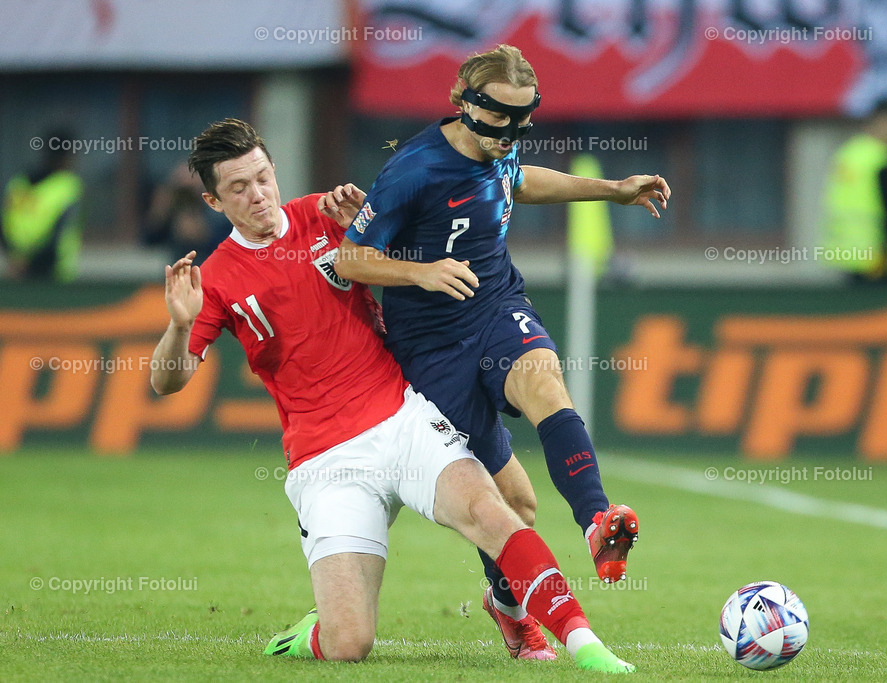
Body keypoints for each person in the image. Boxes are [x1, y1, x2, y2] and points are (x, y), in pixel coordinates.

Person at [149, 118, 634, 673]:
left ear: (274, 169)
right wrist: (180, 326)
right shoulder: (215, 278)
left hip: (403, 416)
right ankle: (312, 634)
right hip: (326, 459)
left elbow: (405, 235)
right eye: (238, 188)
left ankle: (582, 642)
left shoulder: (328, 214)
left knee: (502, 510)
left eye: (262, 177)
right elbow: (167, 381)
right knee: (350, 643)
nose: (257, 194)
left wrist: (381, 231)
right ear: (213, 201)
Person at [335, 44, 670, 659]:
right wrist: (422, 272)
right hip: (432, 346)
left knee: (544, 379)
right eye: (499, 118)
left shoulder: (501, 144)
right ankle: (508, 607)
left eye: (522, 120)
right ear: (463, 102)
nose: (510, 133)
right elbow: (350, 258)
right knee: (516, 505)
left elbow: (522, 181)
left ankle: (596, 521)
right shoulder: (413, 170)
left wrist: (612, 190)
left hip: (495, 307)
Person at [822, 102, 887, 287]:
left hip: (852, 253)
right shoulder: (876, 158)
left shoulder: (849, 154)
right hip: (878, 257)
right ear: (884, 122)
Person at [1, 129, 83, 281]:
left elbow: (4, 226)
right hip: (54, 272)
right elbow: (58, 234)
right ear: (66, 156)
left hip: (17, 270)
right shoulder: (67, 185)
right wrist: (30, 264)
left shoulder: (18, 182)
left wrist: (14, 259)